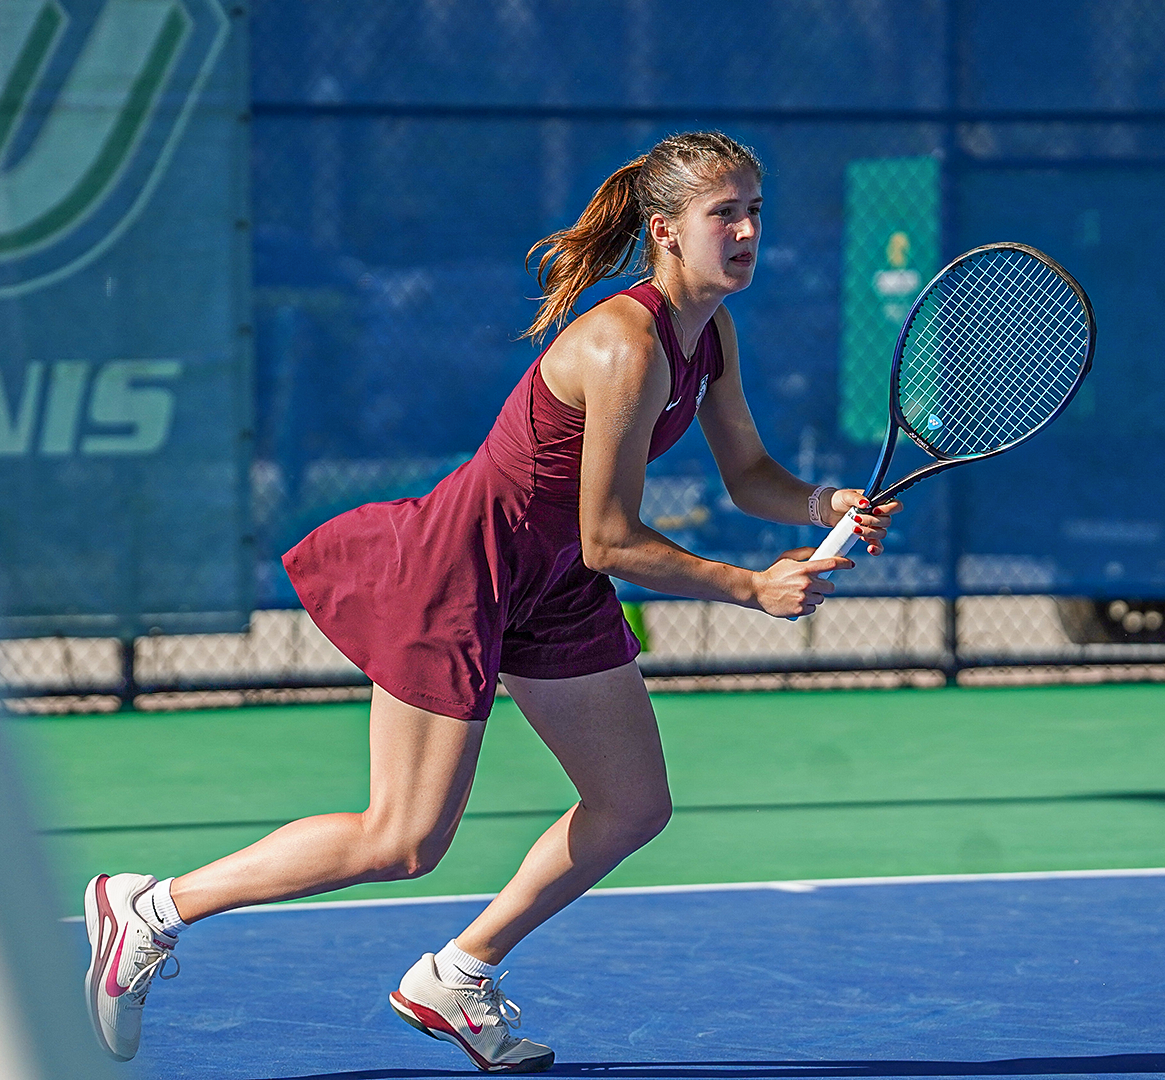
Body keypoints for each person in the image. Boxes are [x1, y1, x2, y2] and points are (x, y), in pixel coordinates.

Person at [82, 131, 900, 1073]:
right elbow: (613, 539)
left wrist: (820, 503)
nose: (750, 230)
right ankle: (150, 908)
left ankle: (457, 975)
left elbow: (749, 472)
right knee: (403, 840)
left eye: (757, 209)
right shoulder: (623, 346)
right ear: (667, 230)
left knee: (632, 805)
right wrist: (752, 586)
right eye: (729, 214)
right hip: (464, 570)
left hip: (551, 583)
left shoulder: (709, 331)